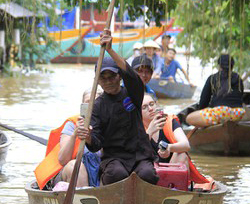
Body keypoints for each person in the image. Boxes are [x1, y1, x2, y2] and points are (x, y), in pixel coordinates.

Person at [76, 29, 159, 186]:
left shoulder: (133, 93)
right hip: (114, 159)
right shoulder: (97, 106)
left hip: (140, 155)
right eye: (103, 77)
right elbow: (96, 144)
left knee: (147, 174)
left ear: (119, 76)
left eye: (112, 76)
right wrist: (87, 136)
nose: (108, 81)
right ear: (97, 80)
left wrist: (110, 50)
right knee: (117, 174)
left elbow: (132, 75)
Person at [34, 88, 103, 190]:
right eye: (88, 102)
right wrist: (75, 134)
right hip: (71, 174)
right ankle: (83, 201)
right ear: (82, 105)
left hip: (98, 170)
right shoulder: (72, 124)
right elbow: (63, 160)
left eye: (95, 102)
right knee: (75, 166)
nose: (91, 106)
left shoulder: (107, 123)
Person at [186, 54, 245, 128]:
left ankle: (213, 125)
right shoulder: (238, 78)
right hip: (238, 113)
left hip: (220, 112)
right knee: (219, 114)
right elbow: (240, 96)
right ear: (232, 66)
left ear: (219, 66)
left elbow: (204, 100)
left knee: (189, 118)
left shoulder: (212, 78)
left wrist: (201, 112)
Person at [141, 93, 190, 167]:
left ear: (156, 105)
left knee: (181, 154)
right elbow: (135, 153)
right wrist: (149, 132)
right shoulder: (136, 128)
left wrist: (169, 147)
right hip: (148, 170)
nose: (150, 109)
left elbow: (186, 145)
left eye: (151, 104)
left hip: (171, 169)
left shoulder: (169, 122)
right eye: (144, 107)